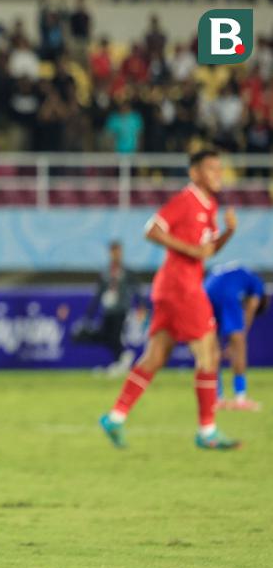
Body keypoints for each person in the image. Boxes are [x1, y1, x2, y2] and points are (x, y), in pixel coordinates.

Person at [99, 150, 240, 451]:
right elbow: (152, 230)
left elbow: (208, 251)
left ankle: (116, 416)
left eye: (219, 168)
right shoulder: (186, 200)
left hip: (172, 287)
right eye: (211, 169)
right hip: (182, 288)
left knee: (156, 357)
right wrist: (189, 249)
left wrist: (228, 232)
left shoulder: (209, 206)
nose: (218, 174)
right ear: (195, 173)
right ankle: (207, 431)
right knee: (209, 354)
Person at [72, 240, 144, 376]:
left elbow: (136, 289)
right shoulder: (106, 272)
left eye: (118, 251)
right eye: (113, 251)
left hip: (121, 309)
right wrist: (89, 314)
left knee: (115, 336)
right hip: (108, 310)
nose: (116, 254)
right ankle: (122, 358)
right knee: (106, 336)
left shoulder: (126, 271)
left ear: (121, 253)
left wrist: (141, 305)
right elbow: (98, 294)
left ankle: (121, 360)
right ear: (110, 253)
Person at [205, 263, 268, 410]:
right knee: (240, 346)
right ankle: (240, 398)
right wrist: (237, 340)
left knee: (212, 347)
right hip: (226, 294)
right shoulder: (258, 285)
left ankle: (216, 398)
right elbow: (251, 308)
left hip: (205, 290)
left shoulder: (241, 271)